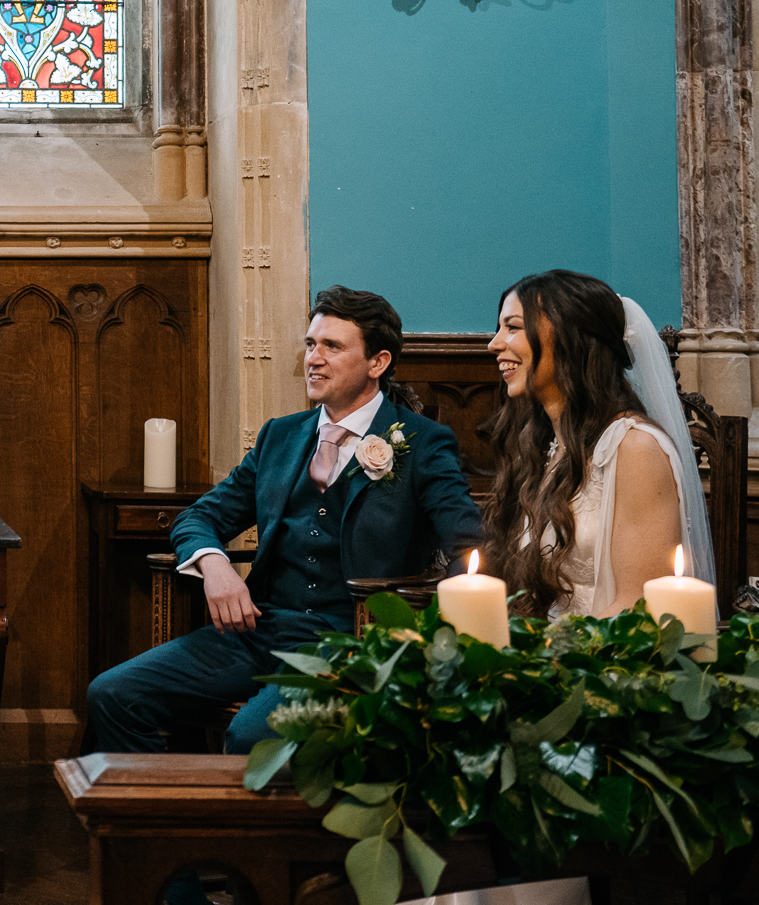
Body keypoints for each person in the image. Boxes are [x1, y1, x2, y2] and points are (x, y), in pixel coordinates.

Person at [84, 286, 482, 757]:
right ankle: (158, 828)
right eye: (311, 344)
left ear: (377, 363)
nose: (313, 358)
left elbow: (468, 544)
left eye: (332, 347)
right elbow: (200, 516)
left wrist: (427, 641)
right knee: (113, 694)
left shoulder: (421, 442)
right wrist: (214, 566)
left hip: (351, 641)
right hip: (258, 630)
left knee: (253, 736)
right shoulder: (281, 435)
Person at [482, 270, 715, 621]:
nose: (494, 344)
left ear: (569, 335)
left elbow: (640, 603)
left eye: (512, 327)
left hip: (602, 663)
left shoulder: (635, 447)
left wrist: (543, 658)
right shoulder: (545, 445)